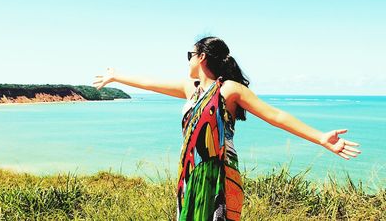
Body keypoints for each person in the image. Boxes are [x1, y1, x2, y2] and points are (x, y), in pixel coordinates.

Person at [93, 36, 361, 221]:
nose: (187, 62)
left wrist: (320, 138)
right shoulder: (192, 90)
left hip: (217, 174)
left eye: (189, 56)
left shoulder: (229, 89)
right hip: (189, 174)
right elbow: (150, 82)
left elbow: (275, 115)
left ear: (201, 57)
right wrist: (117, 76)